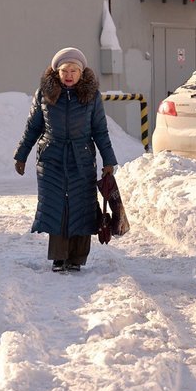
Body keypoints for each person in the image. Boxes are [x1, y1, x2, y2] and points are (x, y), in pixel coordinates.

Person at [14, 47, 118, 272]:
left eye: (74, 70)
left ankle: (77, 259)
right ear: (56, 72)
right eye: (64, 70)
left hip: (82, 157)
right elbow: (33, 127)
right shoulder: (44, 94)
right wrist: (21, 155)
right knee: (56, 205)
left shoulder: (91, 96)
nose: (69, 74)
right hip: (51, 158)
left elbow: (100, 130)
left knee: (82, 206)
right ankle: (59, 257)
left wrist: (108, 161)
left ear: (81, 72)